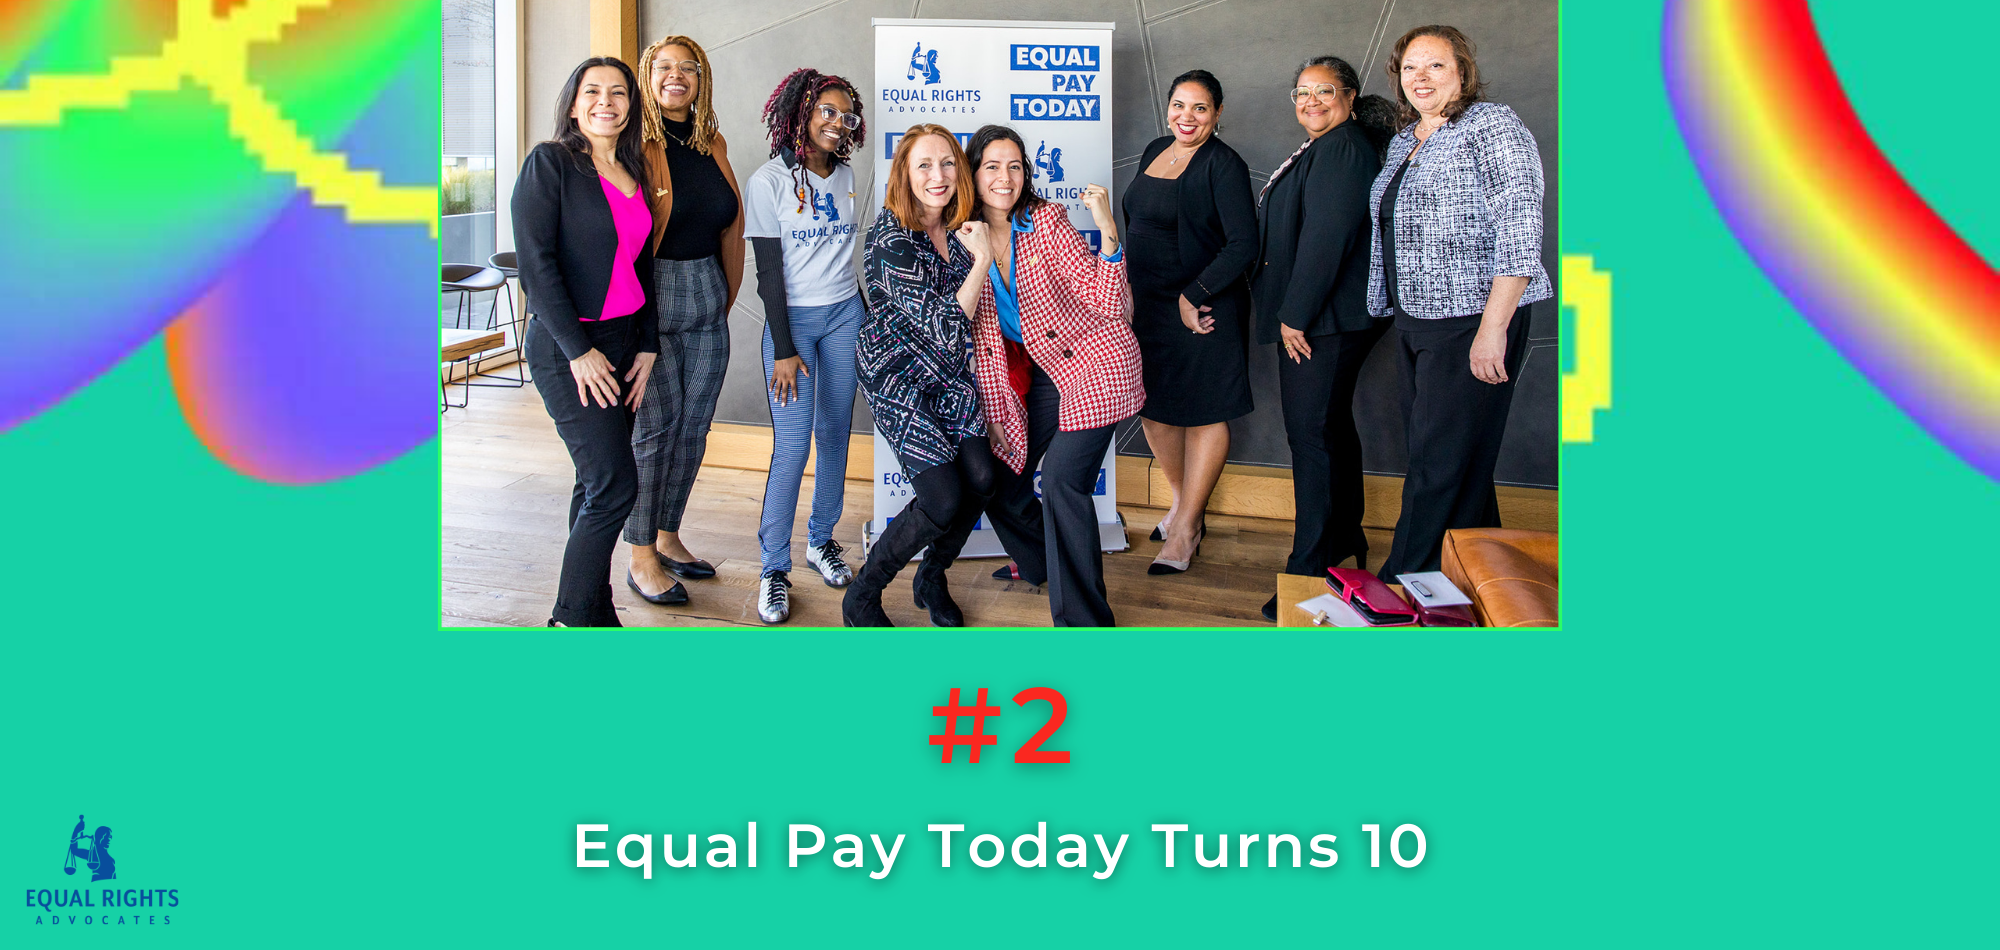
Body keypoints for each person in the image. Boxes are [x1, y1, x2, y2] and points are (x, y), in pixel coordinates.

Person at [1367, 25, 1552, 580]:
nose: (1420, 78)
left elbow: (1519, 228)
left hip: (1473, 318)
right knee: (1457, 462)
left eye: (1435, 66)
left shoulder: (1491, 125)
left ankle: (1403, 582)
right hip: (1416, 319)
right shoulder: (1406, 138)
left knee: (1437, 461)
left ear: (1463, 73)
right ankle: (1478, 577)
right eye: (1409, 68)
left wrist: (1492, 328)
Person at [963, 124, 1140, 628]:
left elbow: (1106, 301)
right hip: (1038, 373)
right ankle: (1043, 563)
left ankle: (1084, 623)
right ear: (973, 173)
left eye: (1015, 166)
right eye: (992, 166)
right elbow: (978, 337)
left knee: (1063, 481)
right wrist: (995, 413)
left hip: (1096, 361)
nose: (1005, 177)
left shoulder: (1046, 221)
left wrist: (1107, 231)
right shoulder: (962, 237)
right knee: (995, 476)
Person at [511, 56, 657, 627]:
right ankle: (570, 620)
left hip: (624, 343)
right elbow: (536, 267)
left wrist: (646, 344)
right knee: (616, 486)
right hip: (568, 345)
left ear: (630, 106)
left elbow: (641, 265)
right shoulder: (551, 163)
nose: (606, 102)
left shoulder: (632, 170)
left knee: (593, 482)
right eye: (593, 91)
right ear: (574, 103)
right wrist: (578, 350)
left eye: (618, 93)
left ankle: (595, 611)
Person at [1254, 56, 1400, 622]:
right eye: (1302, 92)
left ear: (1350, 96)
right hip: (1328, 317)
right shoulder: (1332, 146)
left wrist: (1295, 315)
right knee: (1331, 429)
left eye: (1325, 91)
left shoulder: (1343, 148)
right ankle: (1344, 545)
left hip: (1322, 320)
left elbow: (1327, 238)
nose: (1311, 101)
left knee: (1312, 438)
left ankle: (1310, 568)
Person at [845, 125, 996, 628]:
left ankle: (932, 576)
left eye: (948, 163)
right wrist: (983, 261)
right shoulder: (891, 238)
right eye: (924, 166)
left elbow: (964, 333)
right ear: (904, 175)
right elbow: (951, 323)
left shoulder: (961, 226)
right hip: (896, 375)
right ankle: (863, 595)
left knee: (981, 478)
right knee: (942, 496)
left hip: (949, 372)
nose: (939, 175)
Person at [621, 34, 746, 607]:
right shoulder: (630, 145)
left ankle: (669, 534)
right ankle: (640, 554)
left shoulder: (710, 142)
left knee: (693, 429)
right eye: (665, 68)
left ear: (702, 80)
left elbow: (730, 225)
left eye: (688, 69)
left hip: (708, 295)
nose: (677, 77)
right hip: (652, 297)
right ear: (647, 76)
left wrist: (721, 295)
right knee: (654, 432)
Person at [741, 68, 868, 624]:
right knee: (792, 447)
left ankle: (821, 540)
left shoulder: (846, 174)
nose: (837, 124)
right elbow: (769, 275)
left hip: (846, 316)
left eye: (846, 116)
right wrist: (785, 349)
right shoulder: (768, 181)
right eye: (827, 112)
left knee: (836, 432)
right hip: (791, 324)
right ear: (801, 112)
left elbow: (843, 258)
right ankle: (774, 566)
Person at [1124, 69, 1257, 576]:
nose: (1187, 117)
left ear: (1217, 114)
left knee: (1203, 412)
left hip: (1203, 304)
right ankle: (1184, 502)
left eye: (1200, 109)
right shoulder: (1156, 148)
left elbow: (1244, 243)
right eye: (1180, 105)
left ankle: (1186, 529)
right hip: (1149, 304)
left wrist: (1193, 293)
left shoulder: (1225, 165)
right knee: (1153, 406)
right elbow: (1138, 220)